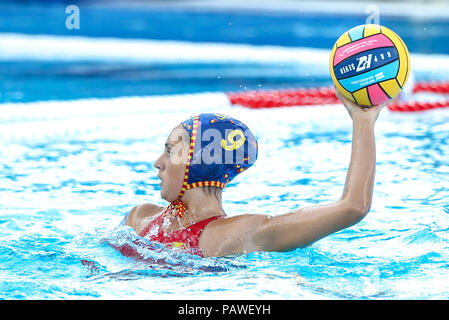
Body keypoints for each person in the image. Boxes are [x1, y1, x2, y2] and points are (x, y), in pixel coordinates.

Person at [121, 91, 387, 258]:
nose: (158, 162)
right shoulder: (140, 217)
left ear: (199, 162)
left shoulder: (237, 235)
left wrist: (362, 121)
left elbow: (353, 207)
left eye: (170, 151)